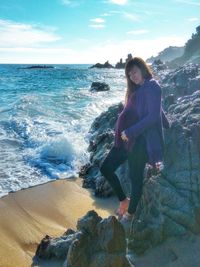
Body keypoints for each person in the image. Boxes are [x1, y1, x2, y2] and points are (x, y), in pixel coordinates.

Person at [99, 57, 170, 228]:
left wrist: (129, 132)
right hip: (127, 141)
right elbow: (157, 109)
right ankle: (124, 201)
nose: (132, 76)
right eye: (129, 74)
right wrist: (167, 122)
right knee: (106, 168)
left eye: (135, 72)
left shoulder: (153, 86)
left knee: (135, 178)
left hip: (138, 140)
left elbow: (152, 116)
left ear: (143, 69)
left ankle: (130, 214)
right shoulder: (141, 88)